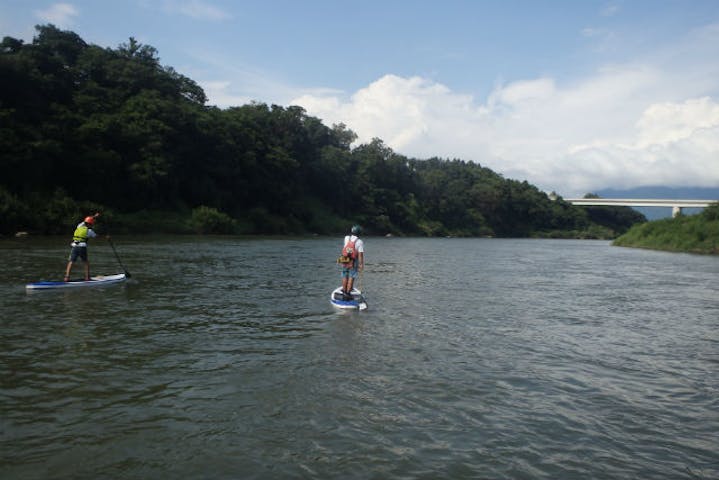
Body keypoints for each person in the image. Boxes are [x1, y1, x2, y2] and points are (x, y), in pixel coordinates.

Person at [64, 213, 100, 281]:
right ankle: (87, 277)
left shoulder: (79, 226)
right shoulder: (89, 231)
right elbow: (97, 237)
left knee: (71, 261)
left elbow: (86, 221)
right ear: (90, 224)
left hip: (74, 246)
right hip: (82, 247)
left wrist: (94, 216)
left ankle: (67, 277)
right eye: (92, 224)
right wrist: (106, 237)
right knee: (85, 262)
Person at [339, 224, 364, 300]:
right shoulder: (360, 242)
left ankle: (344, 291)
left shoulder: (346, 238)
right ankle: (347, 293)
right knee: (351, 276)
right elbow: (360, 255)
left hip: (343, 259)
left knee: (344, 274)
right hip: (352, 261)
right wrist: (361, 265)